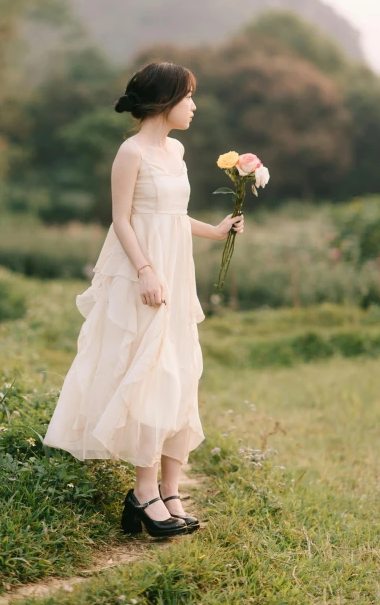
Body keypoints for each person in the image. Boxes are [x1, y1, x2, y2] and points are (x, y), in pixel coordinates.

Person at [43, 61, 244, 538]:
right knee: (153, 374)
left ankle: (170, 492)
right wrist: (146, 271)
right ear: (165, 101)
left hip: (178, 272)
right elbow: (122, 220)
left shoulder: (176, 151)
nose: (194, 106)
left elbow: (173, 215)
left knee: (182, 370)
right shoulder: (130, 152)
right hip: (145, 275)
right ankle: (143, 494)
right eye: (189, 97)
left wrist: (215, 231)